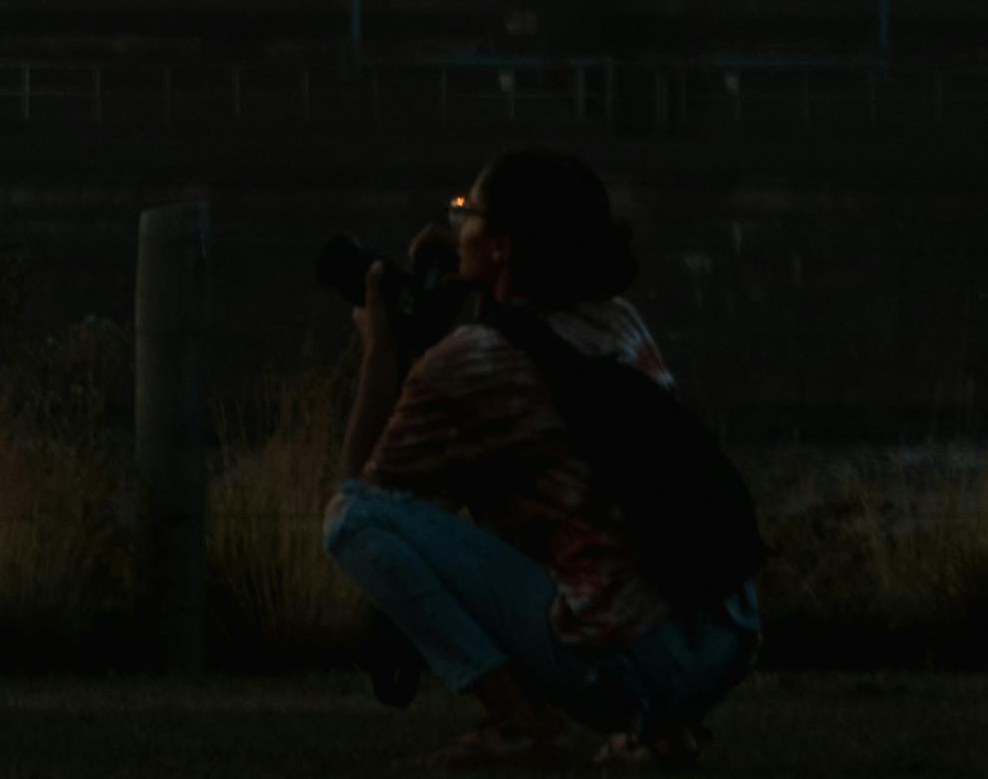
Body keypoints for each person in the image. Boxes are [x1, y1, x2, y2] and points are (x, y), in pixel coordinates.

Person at [323, 146, 760, 763]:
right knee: (550, 507)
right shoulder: (618, 322)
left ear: (499, 246)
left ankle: (518, 720)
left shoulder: (473, 360)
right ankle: (662, 724)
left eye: (463, 212)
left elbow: (366, 492)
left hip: (630, 662)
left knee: (350, 520)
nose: (453, 226)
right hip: (719, 642)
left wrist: (381, 350)